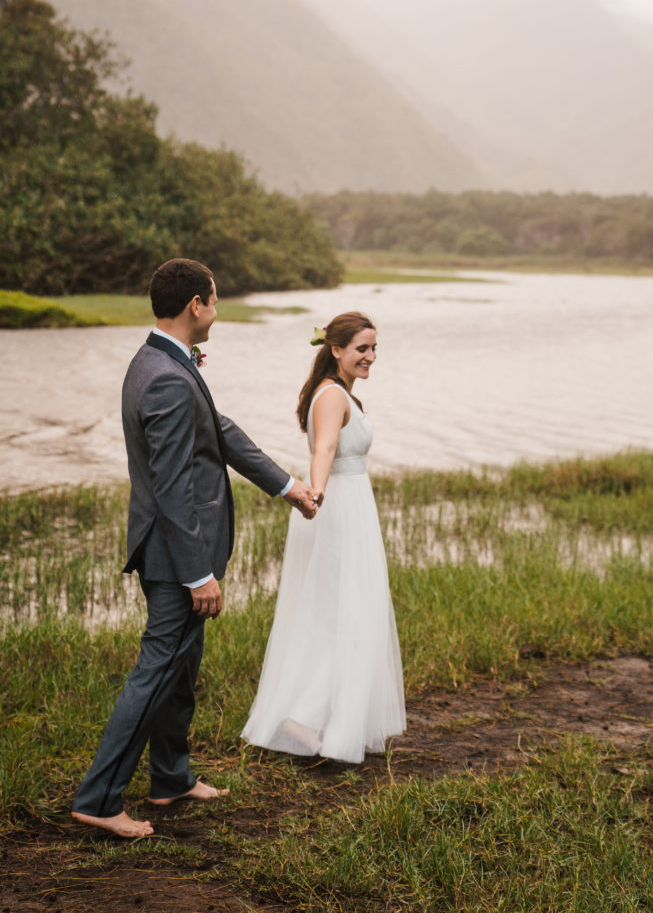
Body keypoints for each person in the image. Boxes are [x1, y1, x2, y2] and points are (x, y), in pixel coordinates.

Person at [71, 258, 317, 838]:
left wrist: (285, 485)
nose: (217, 309)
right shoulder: (164, 375)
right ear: (196, 306)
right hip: (176, 556)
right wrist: (197, 574)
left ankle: (171, 778)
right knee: (157, 669)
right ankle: (99, 797)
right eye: (215, 299)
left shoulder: (163, 362)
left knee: (180, 670)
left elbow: (218, 427)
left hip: (174, 552)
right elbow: (173, 486)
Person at [241, 312, 406, 763]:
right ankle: (301, 718)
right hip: (339, 508)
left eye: (374, 349)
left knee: (338, 611)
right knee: (341, 610)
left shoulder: (335, 392)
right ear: (336, 350)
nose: (371, 357)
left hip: (350, 505)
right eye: (362, 349)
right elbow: (326, 450)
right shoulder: (332, 395)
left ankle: (322, 715)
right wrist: (315, 496)